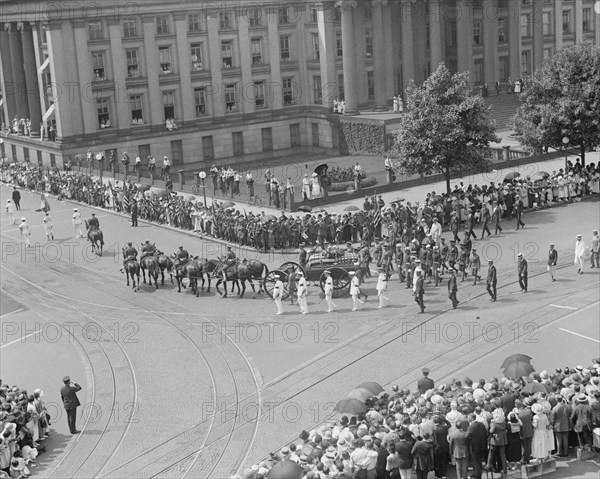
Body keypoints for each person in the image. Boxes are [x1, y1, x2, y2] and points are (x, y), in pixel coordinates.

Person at [486, 408, 508, 477]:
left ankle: (488, 466)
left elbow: (491, 431)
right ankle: (505, 470)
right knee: (503, 455)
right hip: (502, 439)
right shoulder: (504, 421)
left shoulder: (493, 422)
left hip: (494, 440)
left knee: (491, 453)